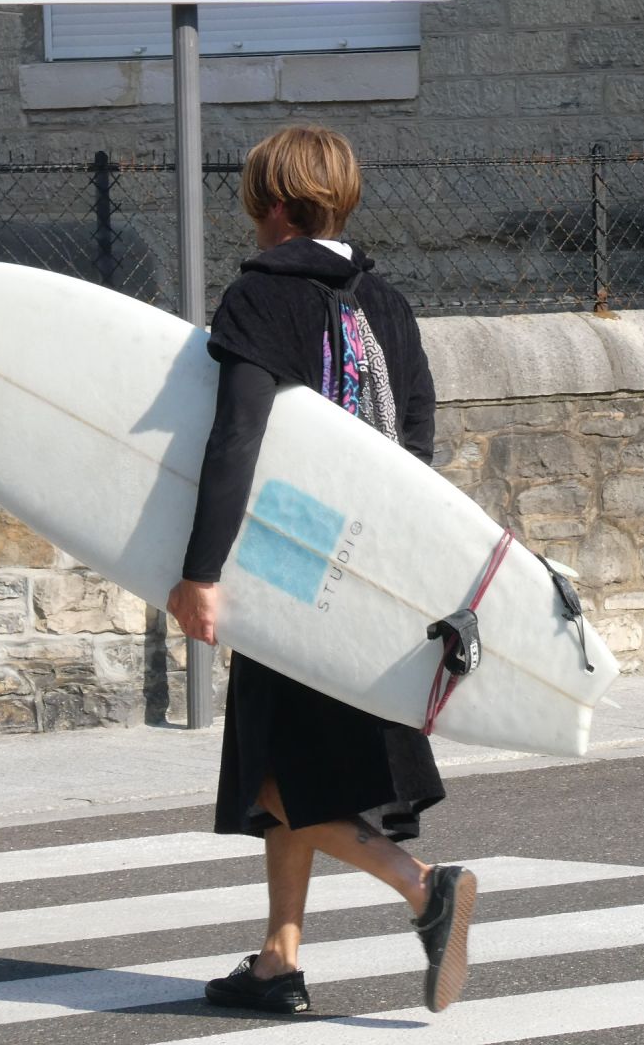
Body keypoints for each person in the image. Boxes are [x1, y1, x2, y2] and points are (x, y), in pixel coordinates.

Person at [166, 126, 477, 1016]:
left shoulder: (262, 296)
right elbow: (414, 449)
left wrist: (201, 570)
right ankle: (277, 962)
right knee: (288, 769)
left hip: (284, 562)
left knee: (276, 773)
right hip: (363, 568)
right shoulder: (386, 301)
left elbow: (237, 440)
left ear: (269, 205)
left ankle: (425, 890)